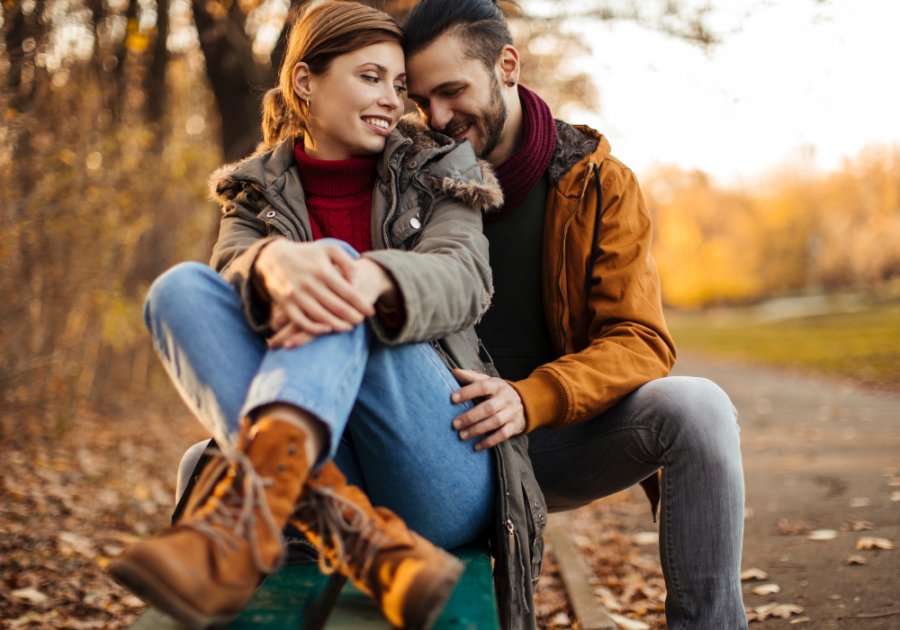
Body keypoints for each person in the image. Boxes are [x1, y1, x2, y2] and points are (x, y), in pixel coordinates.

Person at [108, 3, 508, 629]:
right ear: (304, 82)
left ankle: (251, 519)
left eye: (399, 85)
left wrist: (372, 275)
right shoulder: (256, 190)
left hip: (436, 463)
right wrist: (266, 265)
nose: (392, 100)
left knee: (337, 270)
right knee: (177, 289)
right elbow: (225, 282)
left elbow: (465, 277)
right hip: (327, 459)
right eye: (371, 77)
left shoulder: (438, 165)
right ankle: (358, 537)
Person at [401, 1, 748, 628]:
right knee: (208, 460)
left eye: (452, 91)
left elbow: (640, 340)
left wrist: (530, 398)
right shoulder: (403, 184)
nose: (438, 119)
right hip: (439, 448)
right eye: (422, 101)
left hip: (559, 440)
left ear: (507, 65)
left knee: (699, 408)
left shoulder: (598, 182)